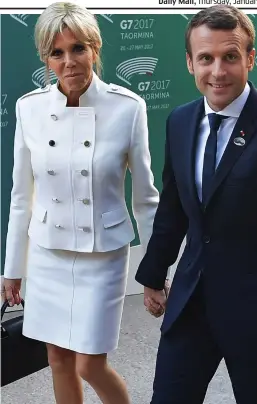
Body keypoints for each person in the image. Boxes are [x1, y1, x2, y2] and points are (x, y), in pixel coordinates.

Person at [2, 2, 159, 403]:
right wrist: (13, 269)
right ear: (46, 58)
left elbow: (145, 197)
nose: (69, 61)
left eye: (78, 48)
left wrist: (156, 271)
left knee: (90, 363)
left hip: (102, 253)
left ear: (95, 49)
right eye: (57, 52)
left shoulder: (127, 108)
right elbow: (22, 195)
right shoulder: (29, 108)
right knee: (56, 359)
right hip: (47, 250)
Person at [135, 5, 257, 404]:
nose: (217, 71)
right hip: (191, 303)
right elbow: (173, 206)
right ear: (189, 62)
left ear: (250, 58)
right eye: (206, 58)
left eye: (230, 56)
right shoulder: (180, 121)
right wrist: (153, 273)